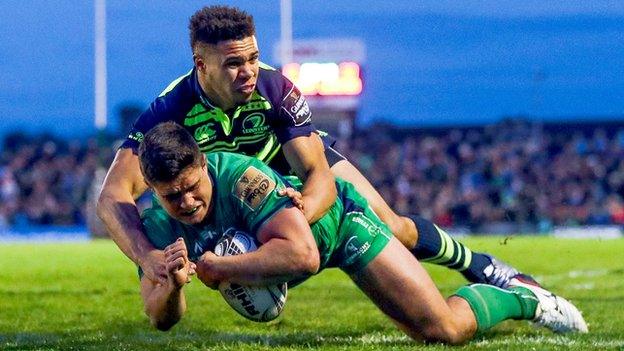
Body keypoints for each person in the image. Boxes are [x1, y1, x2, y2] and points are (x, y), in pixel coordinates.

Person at [98, 5, 532, 289]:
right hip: (238, 188)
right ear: (201, 64)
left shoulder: (276, 88)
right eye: (233, 64)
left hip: (288, 166)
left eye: (251, 58)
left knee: (392, 225)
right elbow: (113, 195)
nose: (248, 72)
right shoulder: (168, 111)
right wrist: (147, 255)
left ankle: (481, 266)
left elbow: (316, 172)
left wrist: (302, 209)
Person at [137, 122, 587, 342]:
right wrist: (175, 287)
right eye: (171, 196)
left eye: (192, 188)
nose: (187, 203)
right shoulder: (156, 224)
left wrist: (222, 267)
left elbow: (303, 256)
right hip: (296, 248)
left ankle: (526, 298)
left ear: (202, 165)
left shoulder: (242, 178)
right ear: (154, 192)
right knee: (427, 331)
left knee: (442, 330)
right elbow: (160, 318)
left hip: (342, 229)